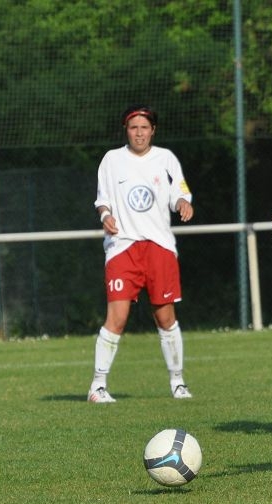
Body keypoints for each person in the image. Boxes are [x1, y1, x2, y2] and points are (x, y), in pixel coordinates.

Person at [87, 104, 194, 403]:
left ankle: (178, 382)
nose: (139, 133)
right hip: (122, 248)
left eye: (144, 127)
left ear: (153, 131)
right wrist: (104, 215)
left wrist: (183, 203)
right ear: (127, 130)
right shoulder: (112, 160)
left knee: (165, 317)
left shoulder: (166, 159)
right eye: (134, 127)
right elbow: (102, 200)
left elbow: (180, 193)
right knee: (117, 317)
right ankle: (97, 386)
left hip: (159, 247)